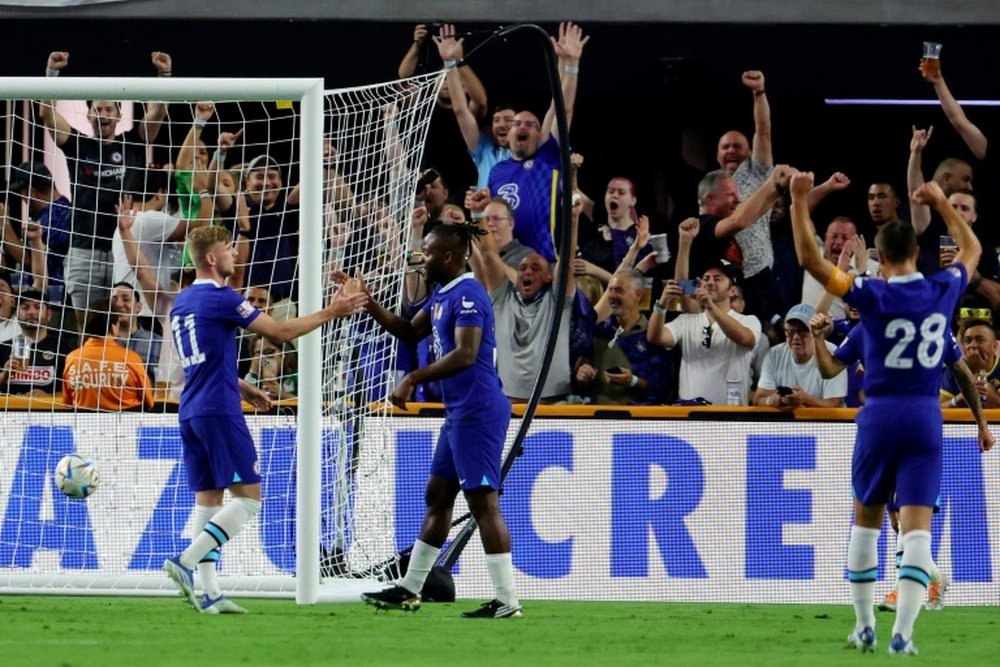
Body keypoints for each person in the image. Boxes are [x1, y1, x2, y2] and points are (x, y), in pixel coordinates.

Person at [788, 170, 993, 655]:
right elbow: (973, 252)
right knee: (918, 529)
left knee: (868, 522)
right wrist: (941, 201)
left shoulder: (869, 293)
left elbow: (809, 260)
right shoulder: (942, 290)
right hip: (925, 416)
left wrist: (800, 201)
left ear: (880, 258)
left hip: (879, 415)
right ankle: (904, 634)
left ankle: (863, 626)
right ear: (917, 254)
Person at [161, 225, 368, 614]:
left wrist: (244, 386)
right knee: (249, 500)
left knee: (208, 501)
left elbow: (204, 361)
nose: (235, 255)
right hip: (219, 411)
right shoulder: (222, 297)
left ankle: (209, 594)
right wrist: (333, 310)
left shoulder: (184, 302)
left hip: (191, 409)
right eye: (228, 249)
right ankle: (185, 563)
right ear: (210, 258)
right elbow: (279, 333)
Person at [347, 222, 522, 619]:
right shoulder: (444, 293)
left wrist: (412, 377)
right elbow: (408, 331)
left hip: (477, 410)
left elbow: (465, 353)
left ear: (446, 257)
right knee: (438, 496)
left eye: (427, 252)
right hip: (459, 411)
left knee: (483, 503)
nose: (421, 259)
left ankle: (508, 601)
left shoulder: (469, 294)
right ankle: (411, 588)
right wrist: (368, 302)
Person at [38, 50, 170, 312]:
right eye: (98, 109)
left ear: (120, 115)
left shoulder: (133, 143)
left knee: (124, 326)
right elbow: (46, 114)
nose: (104, 114)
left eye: (110, 109)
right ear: (89, 116)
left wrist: (164, 75)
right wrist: (52, 73)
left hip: (122, 251)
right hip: (83, 252)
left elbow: (157, 112)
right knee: (85, 327)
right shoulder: (77, 144)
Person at [488, 22, 588, 262]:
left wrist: (570, 65)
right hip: (504, 262)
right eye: (517, 124)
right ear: (508, 135)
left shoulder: (548, 157)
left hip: (543, 260)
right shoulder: (496, 171)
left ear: (540, 136)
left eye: (531, 125)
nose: (522, 127)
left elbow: (562, 109)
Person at [647, 259, 761, 405]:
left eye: (717, 279)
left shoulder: (749, 320)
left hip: (731, 419)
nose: (710, 282)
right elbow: (655, 337)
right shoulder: (686, 321)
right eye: (706, 278)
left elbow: (746, 339)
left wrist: (710, 306)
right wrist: (662, 303)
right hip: (690, 416)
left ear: (732, 290)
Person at [63, 298, 154, 411]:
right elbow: (149, 400)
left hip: (85, 427)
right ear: (113, 326)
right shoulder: (131, 358)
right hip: (128, 426)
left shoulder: (72, 359)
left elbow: (68, 402)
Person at [753, 303, 847, 409]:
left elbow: (834, 405)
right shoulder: (774, 355)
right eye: (791, 331)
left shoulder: (831, 353)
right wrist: (773, 401)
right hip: (787, 423)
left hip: (823, 423)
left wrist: (806, 399)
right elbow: (759, 399)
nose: (796, 337)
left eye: (803, 331)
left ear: (814, 332)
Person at [0, 288, 76, 397]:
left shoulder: (63, 350)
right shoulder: (3, 348)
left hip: (48, 413)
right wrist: (4, 375)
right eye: (25, 307)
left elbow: (74, 392)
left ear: (48, 314)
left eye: (38, 307)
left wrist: (48, 398)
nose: (31, 312)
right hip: (8, 412)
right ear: (16, 313)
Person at [111, 282, 161, 382]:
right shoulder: (100, 342)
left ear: (138, 307)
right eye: (114, 300)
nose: (119, 304)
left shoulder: (157, 343)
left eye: (126, 299)